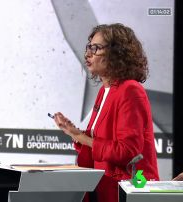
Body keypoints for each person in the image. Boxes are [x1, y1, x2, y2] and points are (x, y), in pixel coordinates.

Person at [53, 23, 159, 202]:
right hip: (104, 188)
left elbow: (127, 151)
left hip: (129, 189)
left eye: (96, 48)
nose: (88, 54)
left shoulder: (130, 90)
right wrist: (74, 133)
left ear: (117, 53)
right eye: (89, 47)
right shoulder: (105, 90)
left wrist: (81, 137)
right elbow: (101, 143)